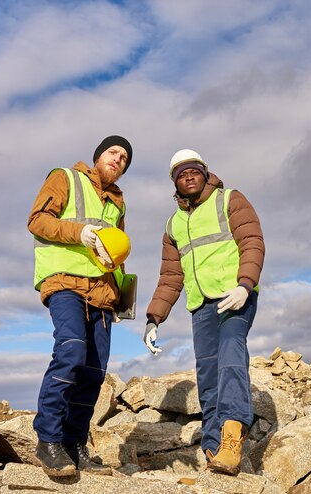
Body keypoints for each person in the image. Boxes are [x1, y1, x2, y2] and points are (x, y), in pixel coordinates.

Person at [144, 149, 264, 476]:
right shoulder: (173, 225)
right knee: (208, 375)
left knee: (230, 353)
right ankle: (213, 449)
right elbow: (170, 276)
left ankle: (232, 437)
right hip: (201, 307)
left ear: (205, 173)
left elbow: (252, 241)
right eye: (181, 173)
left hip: (234, 296)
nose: (188, 175)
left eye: (193, 170)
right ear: (175, 184)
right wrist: (154, 318)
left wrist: (244, 284)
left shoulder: (230, 200)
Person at [27, 135, 133, 476]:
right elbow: (38, 222)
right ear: (99, 155)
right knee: (71, 352)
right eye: (113, 152)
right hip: (65, 282)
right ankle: (48, 441)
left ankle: (74, 446)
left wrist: (122, 295)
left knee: (93, 373)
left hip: (102, 294)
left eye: (125, 159)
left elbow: (117, 254)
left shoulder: (118, 204)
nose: (118, 159)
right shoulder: (65, 177)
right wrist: (80, 232)